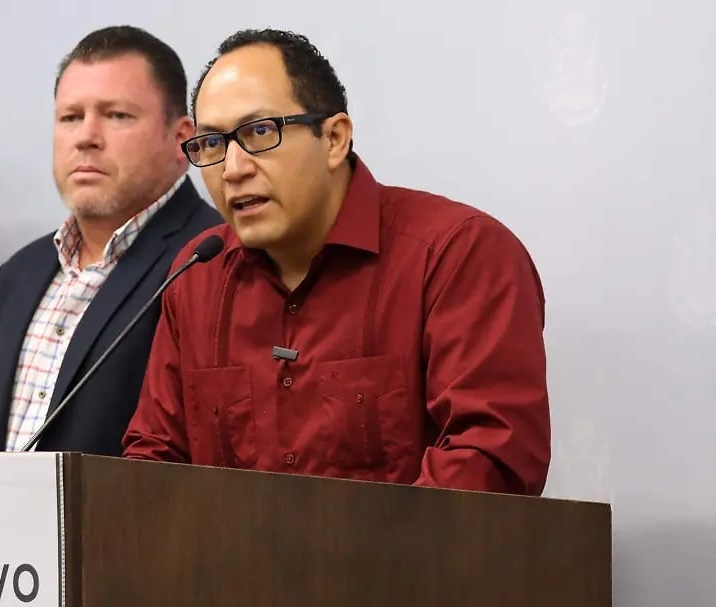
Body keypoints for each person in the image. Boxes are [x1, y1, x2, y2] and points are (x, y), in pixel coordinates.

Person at [122, 29, 551, 495]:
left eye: (259, 132)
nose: (233, 168)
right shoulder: (199, 273)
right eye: (211, 144)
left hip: (407, 567)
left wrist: (345, 561)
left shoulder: (456, 254)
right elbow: (155, 460)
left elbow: (489, 458)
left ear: (334, 138)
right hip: (230, 568)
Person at [0, 25, 222, 455]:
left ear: (181, 140)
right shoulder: (16, 275)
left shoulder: (213, 260)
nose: (86, 137)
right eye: (70, 117)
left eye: (117, 116)